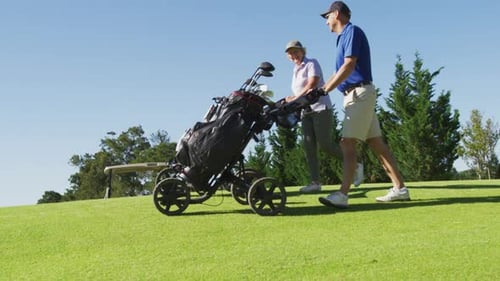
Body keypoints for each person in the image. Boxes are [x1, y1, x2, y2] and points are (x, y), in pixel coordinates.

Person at [316, 1, 410, 208]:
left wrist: (325, 90)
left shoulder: (351, 31)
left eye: (327, 17)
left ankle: (342, 194)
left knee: (347, 143)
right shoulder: (342, 38)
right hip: (357, 94)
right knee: (377, 144)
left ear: (337, 14)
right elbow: (339, 71)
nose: (326, 22)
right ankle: (400, 189)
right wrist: (319, 90)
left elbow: (349, 65)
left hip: (359, 93)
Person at [284, 40, 363, 194]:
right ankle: (315, 182)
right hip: (305, 111)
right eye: (291, 53)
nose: (294, 55)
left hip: (320, 108)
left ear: (302, 51)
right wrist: (292, 99)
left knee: (326, 144)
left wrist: (295, 99)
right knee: (309, 147)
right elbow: (302, 91)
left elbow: (312, 85)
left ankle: (356, 164)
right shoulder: (295, 70)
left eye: (296, 51)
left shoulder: (311, 63)